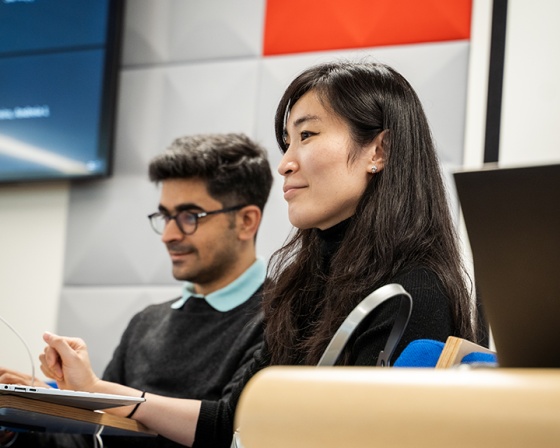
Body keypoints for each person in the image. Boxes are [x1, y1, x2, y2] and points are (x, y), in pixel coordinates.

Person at [17, 61, 476, 448]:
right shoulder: (304, 287)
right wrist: (88, 392)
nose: (286, 163)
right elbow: (232, 420)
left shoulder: (412, 295)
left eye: (308, 135)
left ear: (380, 149)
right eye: (287, 143)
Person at [0, 133, 273, 447]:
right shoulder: (146, 323)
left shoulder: (284, 319)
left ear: (246, 221)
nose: (168, 235)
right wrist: (28, 419)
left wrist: (95, 392)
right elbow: (93, 440)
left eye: (189, 217)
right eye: (165, 216)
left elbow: (232, 432)